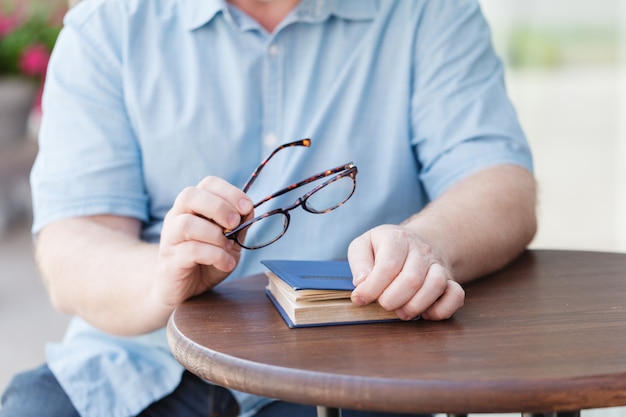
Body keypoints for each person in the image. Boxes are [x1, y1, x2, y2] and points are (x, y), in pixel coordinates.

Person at [1, 0, 537, 416]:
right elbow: (72, 247)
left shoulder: (425, 13)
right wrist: (161, 274)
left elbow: (499, 182)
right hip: (140, 363)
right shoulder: (110, 24)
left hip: (350, 365)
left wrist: (427, 245)